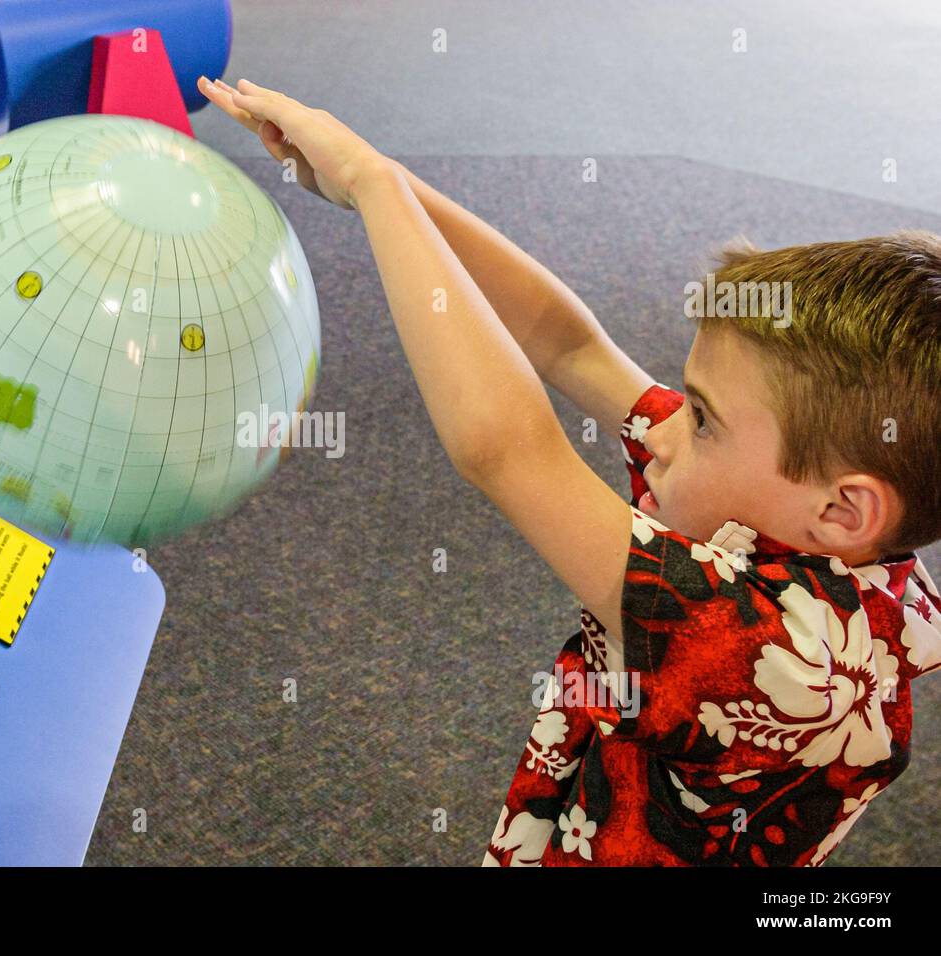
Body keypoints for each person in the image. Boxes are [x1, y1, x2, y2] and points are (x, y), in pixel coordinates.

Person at [197, 76, 941, 866]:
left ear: (844, 512)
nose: (663, 433)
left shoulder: (769, 650)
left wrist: (376, 188)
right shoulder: (819, 531)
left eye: (701, 418)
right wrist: (381, 188)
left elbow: (506, 448)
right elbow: (569, 344)